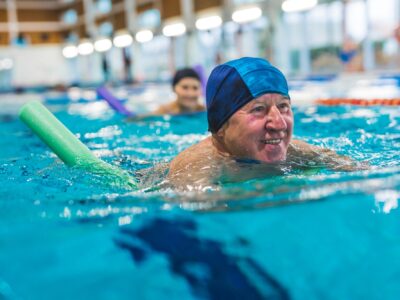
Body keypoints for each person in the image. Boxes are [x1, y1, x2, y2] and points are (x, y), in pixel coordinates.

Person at [165, 57, 365, 190]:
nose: (279, 124)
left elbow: (363, 172)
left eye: (284, 106)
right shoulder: (195, 168)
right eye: (258, 109)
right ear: (220, 126)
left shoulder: (297, 152)